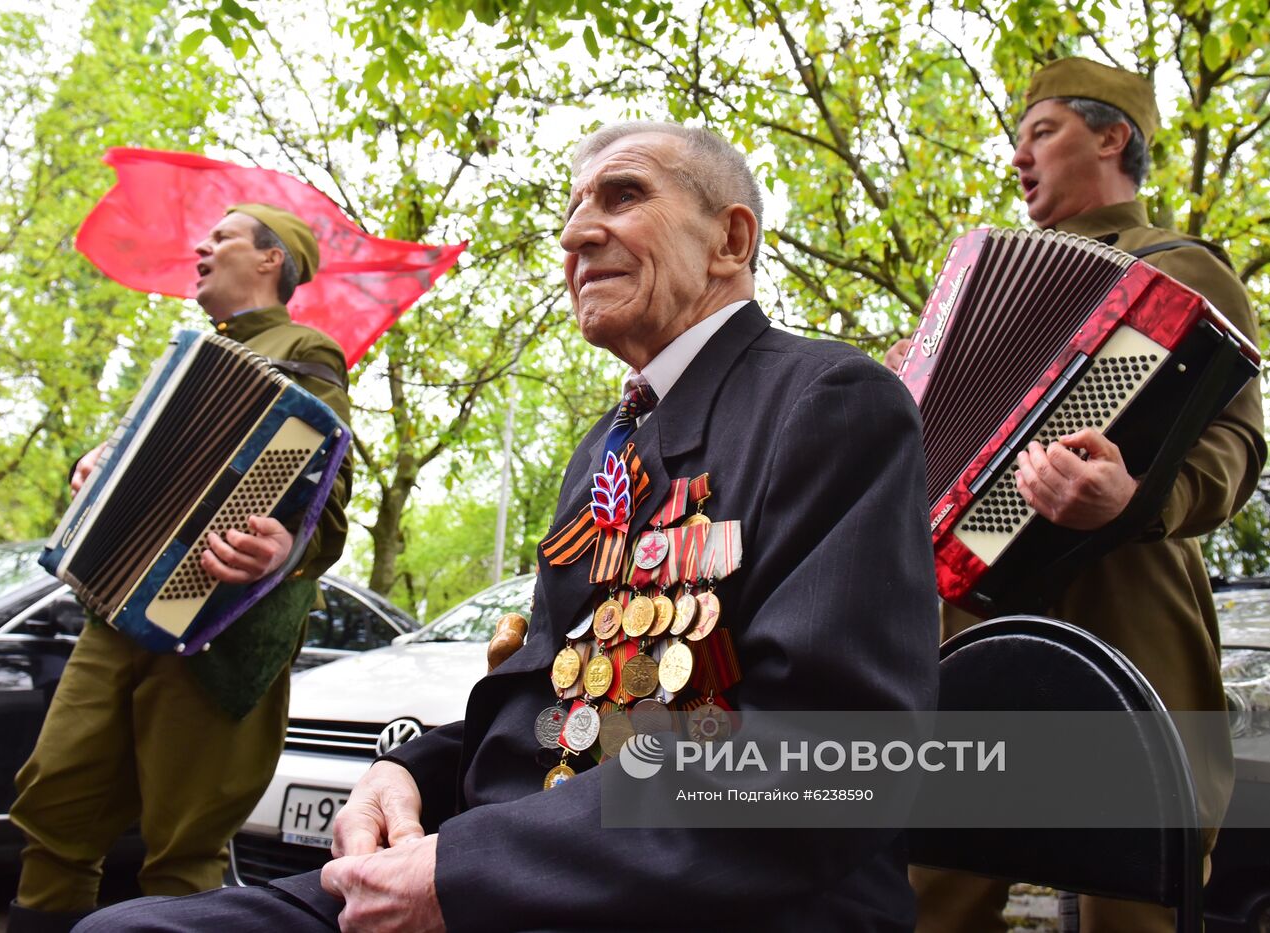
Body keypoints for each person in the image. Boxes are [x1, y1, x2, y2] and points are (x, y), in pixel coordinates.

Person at [76, 123, 941, 932]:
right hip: (513, 871)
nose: (573, 237)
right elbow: (555, 705)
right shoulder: (609, 444)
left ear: (731, 240)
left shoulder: (829, 400)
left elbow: (827, 763)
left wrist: (465, 870)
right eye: (571, 212)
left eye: (622, 195)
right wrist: (407, 772)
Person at [898, 58, 1267, 933]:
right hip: (975, 621)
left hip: (1123, 613)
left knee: (1134, 901)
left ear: (1111, 137)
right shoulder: (974, 283)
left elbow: (1236, 446)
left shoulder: (1182, 269)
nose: (1019, 157)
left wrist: (1138, 496)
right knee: (930, 895)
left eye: (1042, 131)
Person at [7, 204, 354, 933]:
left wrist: (281, 549)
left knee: (185, 841)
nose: (201, 245)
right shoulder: (187, 356)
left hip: (218, 633)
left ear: (269, 260)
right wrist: (94, 467)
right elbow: (138, 460)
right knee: (55, 805)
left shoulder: (308, 350)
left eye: (222, 236)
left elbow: (326, 502)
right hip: (118, 612)